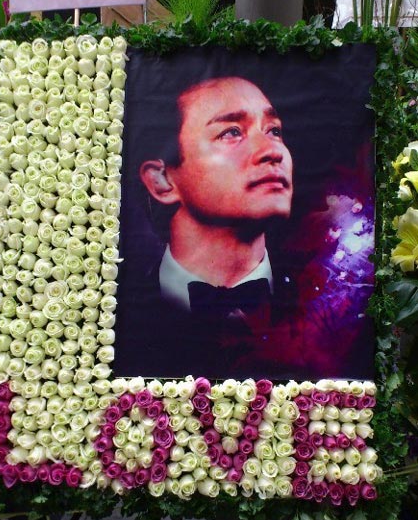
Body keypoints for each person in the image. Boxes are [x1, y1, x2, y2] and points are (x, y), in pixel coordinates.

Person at [115, 75, 373, 380]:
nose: (273, 150)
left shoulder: (344, 314)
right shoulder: (121, 315)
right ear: (162, 181)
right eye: (232, 132)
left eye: (274, 131)